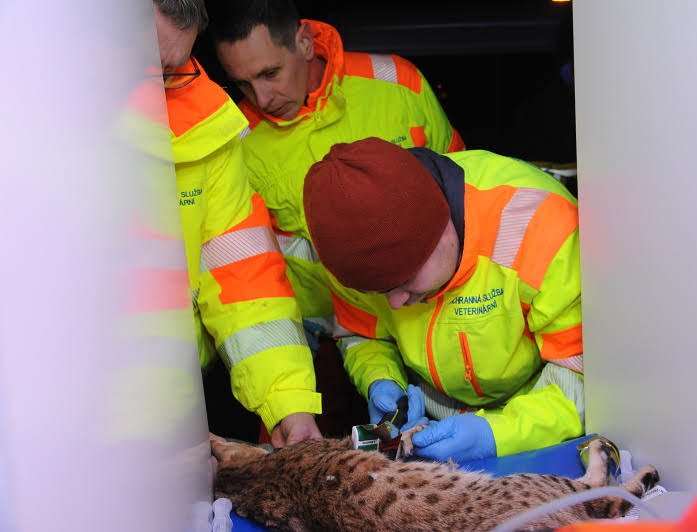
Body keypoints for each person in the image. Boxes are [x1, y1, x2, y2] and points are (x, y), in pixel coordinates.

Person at [303, 137, 585, 462]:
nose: (395, 303)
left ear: (439, 226)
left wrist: (497, 434)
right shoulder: (347, 247)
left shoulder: (541, 226)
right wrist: (380, 378)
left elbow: (578, 377)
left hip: (543, 427)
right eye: (380, 293)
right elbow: (360, 333)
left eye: (405, 280)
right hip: (431, 425)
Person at [203, 0, 465, 345]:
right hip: (323, 338)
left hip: (427, 314)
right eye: (243, 84)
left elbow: (464, 192)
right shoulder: (236, 140)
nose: (262, 98)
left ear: (304, 42)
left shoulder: (399, 83)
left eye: (270, 73)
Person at [152, 0, 322, 446]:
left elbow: (244, 281)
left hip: (171, 416)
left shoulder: (205, 128)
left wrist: (288, 401)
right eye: (151, 68)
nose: (164, 89)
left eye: (176, 68)